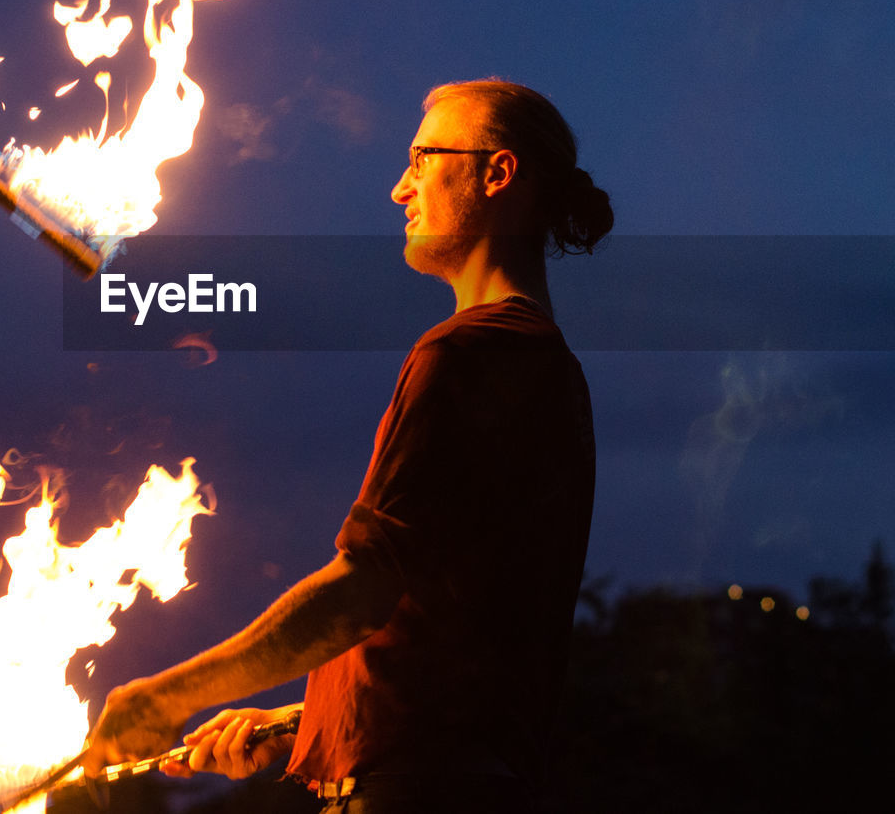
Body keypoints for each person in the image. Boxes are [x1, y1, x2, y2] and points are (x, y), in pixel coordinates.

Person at [81, 80, 614, 811]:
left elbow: (366, 586)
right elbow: (465, 628)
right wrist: (301, 720)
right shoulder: (547, 363)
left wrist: (163, 696)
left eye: (424, 158)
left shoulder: (471, 352)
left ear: (497, 172)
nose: (401, 188)